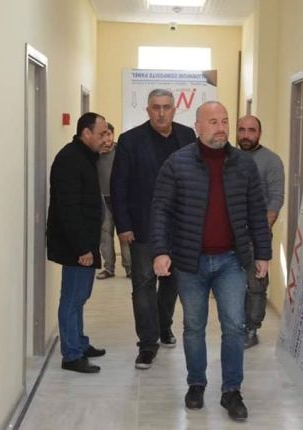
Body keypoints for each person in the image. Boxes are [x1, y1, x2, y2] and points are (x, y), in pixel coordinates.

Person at [151, 101, 271, 421]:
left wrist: (263, 254)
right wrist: (160, 251)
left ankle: (231, 390)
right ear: (198, 127)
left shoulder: (243, 165)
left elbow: (257, 213)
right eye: (214, 121)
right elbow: (161, 210)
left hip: (231, 261)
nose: (221, 128)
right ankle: (196, 383)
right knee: (194, 326)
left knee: (234, 326)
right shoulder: (177, 163)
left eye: (225, 121)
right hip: (190, 262)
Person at [111, 89, 197, 369]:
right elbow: (118, 185)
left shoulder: (187, 136)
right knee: (144, 284)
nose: (161, 113)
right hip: (142, 226)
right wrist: (123, 225)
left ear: (174, 109)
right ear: (147, 110)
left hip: (180, 227)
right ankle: (147, 345)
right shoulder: (130, 140)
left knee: (172, 282)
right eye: (156, 107)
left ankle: (163, 326)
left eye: (166, 107)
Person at [46, 112, 108, 373]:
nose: (106, 139)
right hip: (76, 246)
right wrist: (82, 248)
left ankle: (80, 343)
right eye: (102, 134)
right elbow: (69, 208)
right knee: (72, 299)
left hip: (85, 243)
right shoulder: (70, 160)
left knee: (80, 296)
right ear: (86, 133)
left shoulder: (85, 157)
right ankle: (71, 355)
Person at [236, 115, 285, 348]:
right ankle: (235, 326)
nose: (246, 135)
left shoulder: (271, 161)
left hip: (257, 235)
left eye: (251, 130)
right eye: (242, 130)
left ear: (259, 133)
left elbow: (276, 199)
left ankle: (251, 329)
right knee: (232, 284)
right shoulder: (228, 158)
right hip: (230, 235)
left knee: (256, 284)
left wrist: (261, 232)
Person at [96, 122, 131, 279]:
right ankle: (109, 268)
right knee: (105, 236)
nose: (107, 139)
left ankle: (130, 268)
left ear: (113, 135)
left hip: (121, 199)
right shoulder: (94, 154)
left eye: (109, 134)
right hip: (103, 199)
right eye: (103, 135)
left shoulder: (121, 151)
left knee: (125, 235)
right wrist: (97, 154)